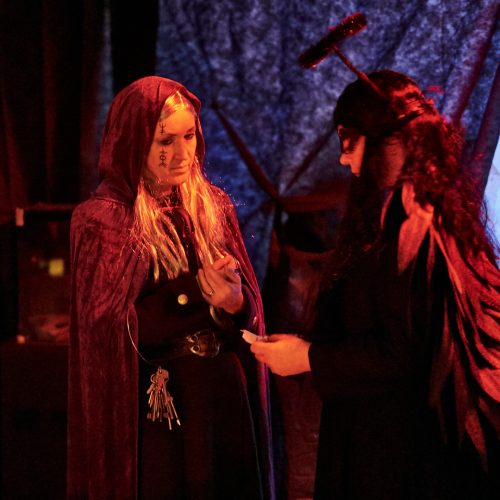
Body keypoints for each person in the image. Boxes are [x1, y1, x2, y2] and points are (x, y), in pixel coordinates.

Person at [251, 70, 500, 499]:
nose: (343, 159)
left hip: (397, 455)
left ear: (379, 139)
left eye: (348, 141)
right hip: (378, 437)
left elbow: (402, 354)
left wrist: (308, 357)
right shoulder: (402, 212)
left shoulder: (417, 230)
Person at [68, 76, 273, 500]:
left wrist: (235, 303)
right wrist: (194, 294)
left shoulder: (211, 205)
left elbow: (248, 309)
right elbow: (108, 328)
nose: (182, 154)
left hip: (221, 388)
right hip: (161, 400)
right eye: (165, 140)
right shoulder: (105, 219)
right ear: (134, 142)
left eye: (189, 136)